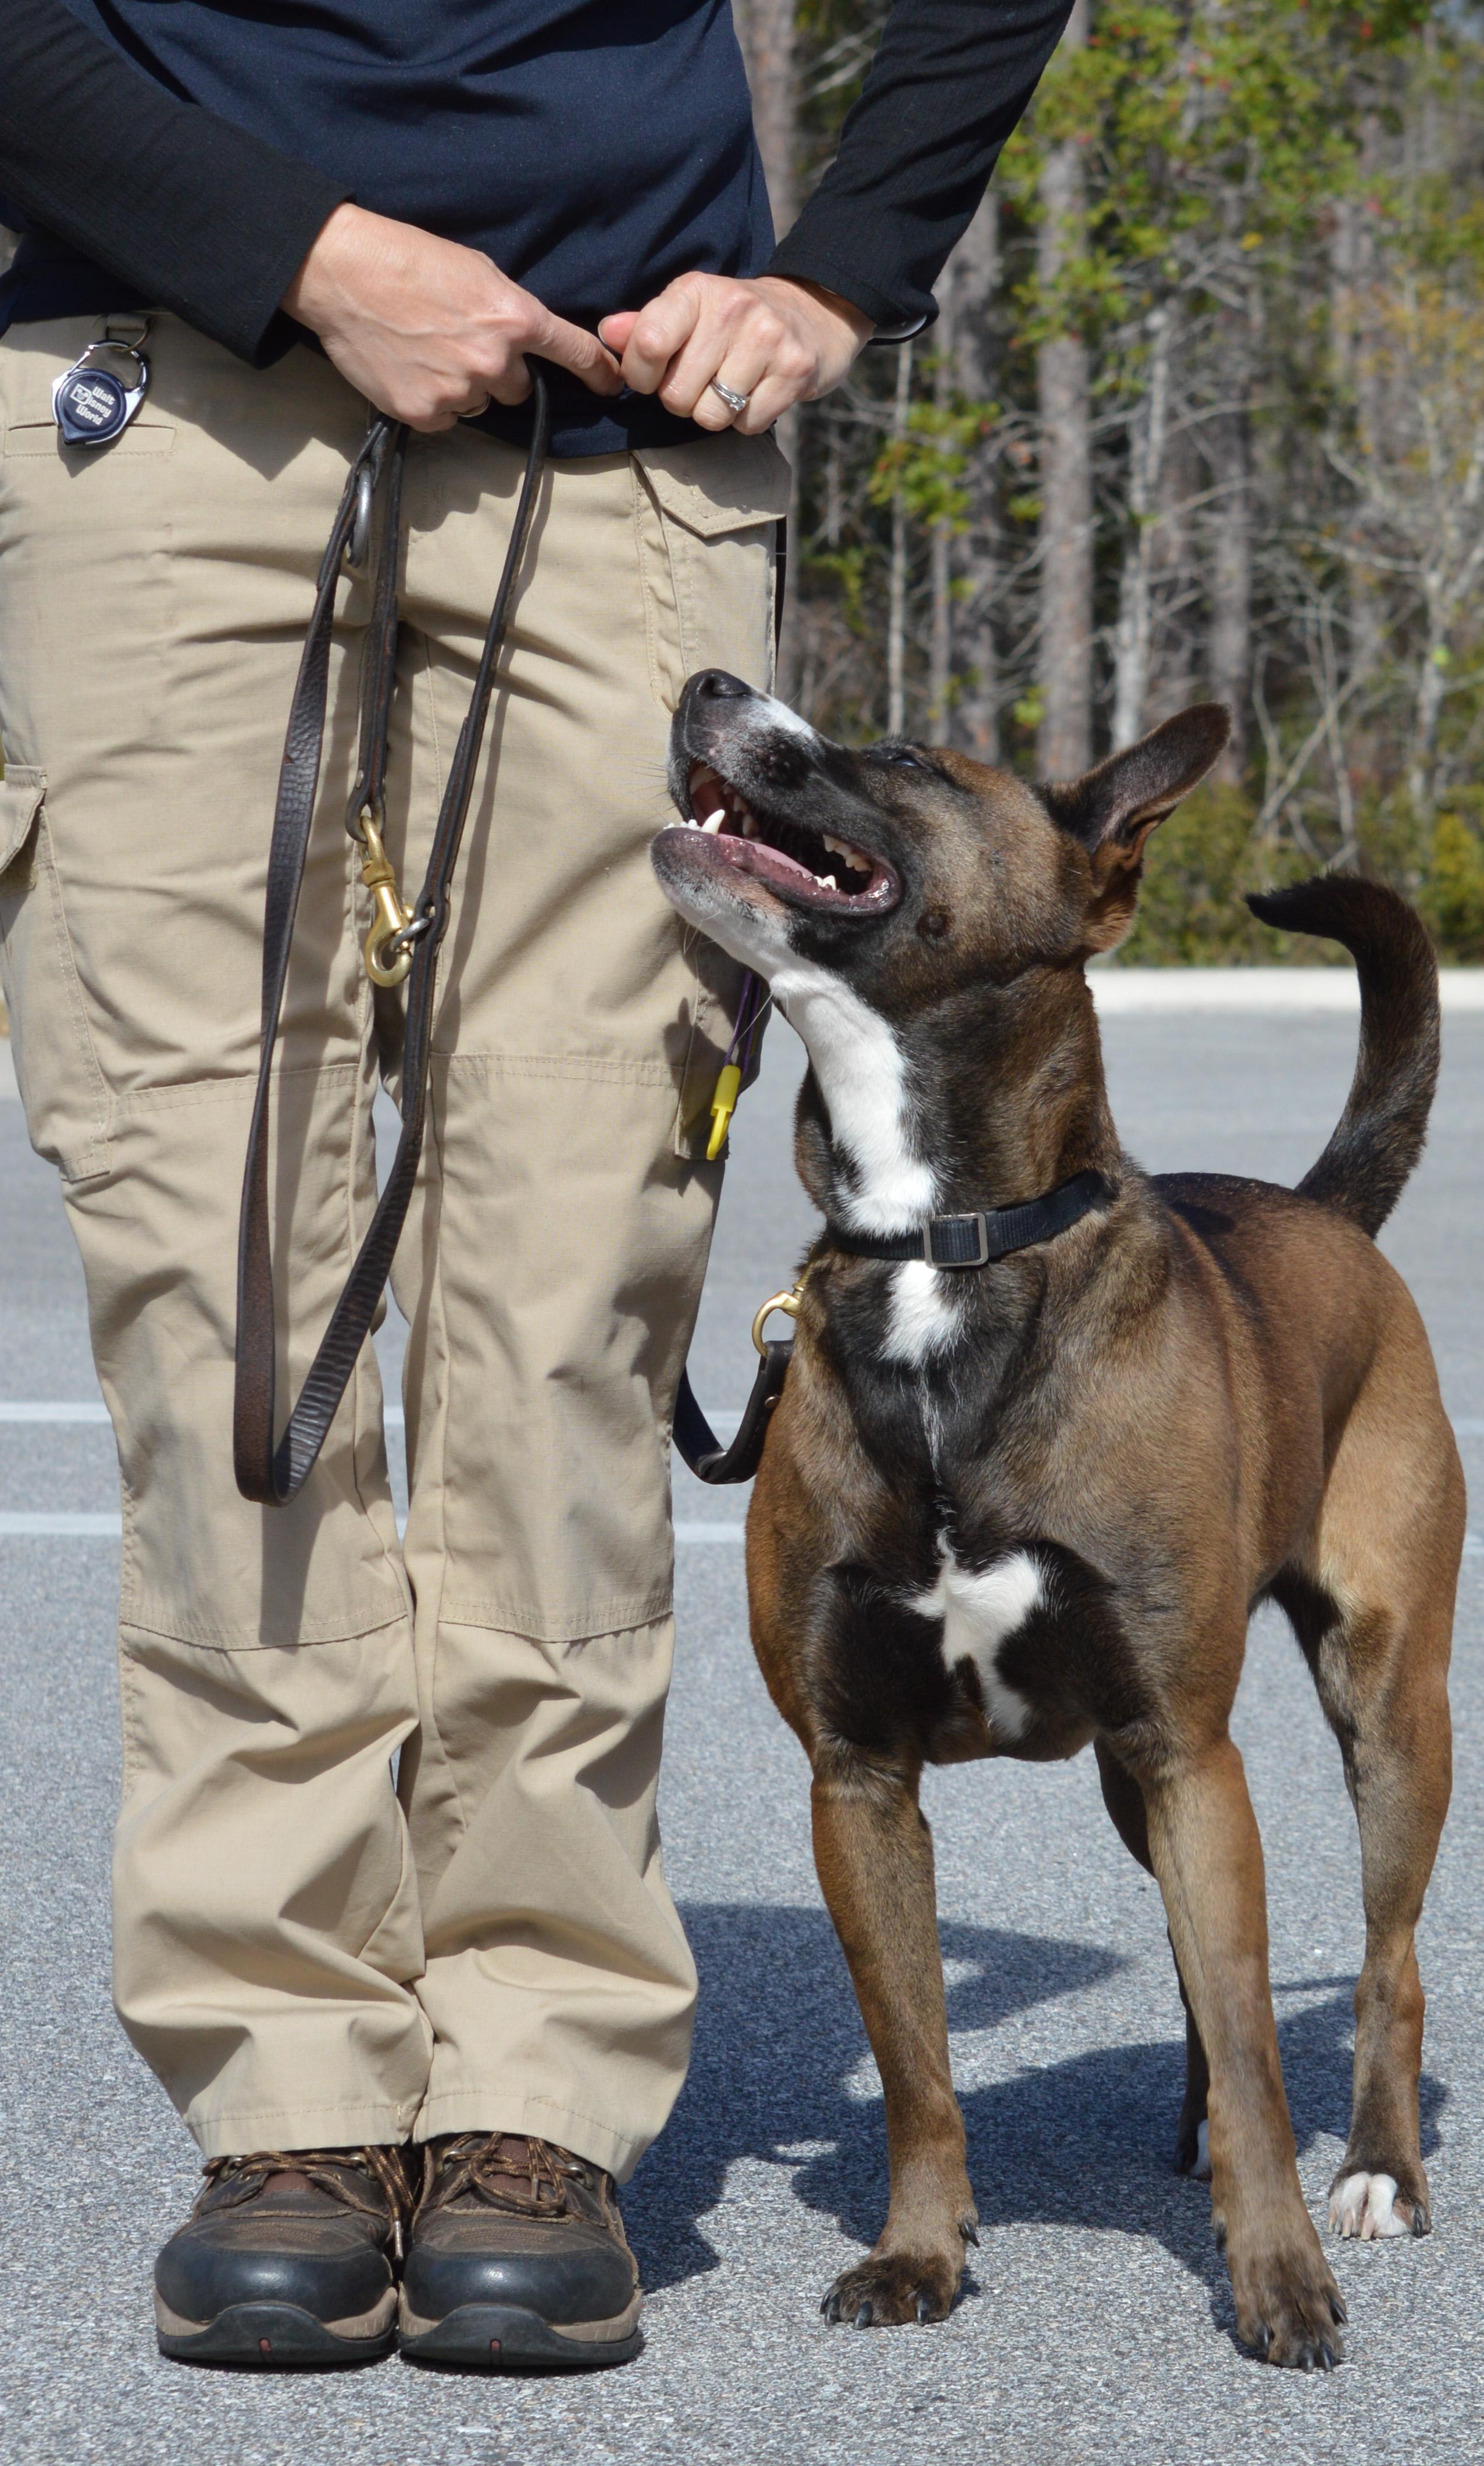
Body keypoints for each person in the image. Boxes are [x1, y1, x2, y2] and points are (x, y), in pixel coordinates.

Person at [0, 0, 1069, 2372]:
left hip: (613, 443)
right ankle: (288, 2073)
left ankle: (529, 2080)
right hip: (154, 399)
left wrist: (842, 266)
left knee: (573, 1267)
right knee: (219, 1279)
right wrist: (294, 246)